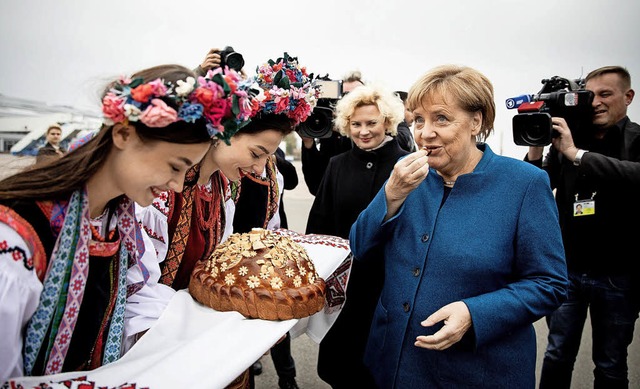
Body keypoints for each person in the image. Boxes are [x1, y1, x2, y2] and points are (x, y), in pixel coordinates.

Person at [0, 63, 230, 381]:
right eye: (176, 166)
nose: (177, 185)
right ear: (123, 133)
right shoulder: (17, 236)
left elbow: (134, 301)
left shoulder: (119, 219)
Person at [348, 64, 568, 388]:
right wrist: (390, 194)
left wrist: (475, 313)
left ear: (475, 121)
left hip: (476, 371)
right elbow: (359, 245)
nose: (425, 132)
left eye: (441, 118)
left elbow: (549, 283)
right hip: (394, 361)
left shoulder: (525, 184)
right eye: (419, 119)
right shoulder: (405, 173)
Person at [127, 53, 321, 389]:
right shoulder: (161, 192)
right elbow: (136, 293)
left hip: (206, 339)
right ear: (222, 134)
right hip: (166, 346)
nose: (260, 169)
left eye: (268, 157)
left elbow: (220, 264)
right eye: (257, 153)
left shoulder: (222, 188)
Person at [525, 65, 640, 389]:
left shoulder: (636, 139)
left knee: (611, 363)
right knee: (557, 354)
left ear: (628, 96)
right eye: (591, 96)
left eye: (607, 94)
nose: (598, 102)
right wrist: (537, 142)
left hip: (620, 274)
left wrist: (577, 154)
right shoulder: (568, 139)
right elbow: (537, 186)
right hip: (568, 269)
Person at [306, 84, 409, 388]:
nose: (364, 131)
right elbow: (319, 226)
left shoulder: (406, 164)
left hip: (389, 288)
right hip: (344, 288)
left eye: (371, 123)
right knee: (343, 371)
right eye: (356, 124)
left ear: (387, 123)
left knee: (382, 372)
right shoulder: (336, 165)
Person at [232, 146, 300, 389]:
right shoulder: (234, 165)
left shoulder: (273, 157)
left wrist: (274, 154)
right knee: (242, 317)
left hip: (269, 248)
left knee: (276, 313)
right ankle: (249, 364)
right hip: (237, 251)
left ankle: (287, 375)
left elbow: (292, 180)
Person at [300, 70, 364, 195]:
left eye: (358, 97)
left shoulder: (380, 130)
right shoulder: (330, 133)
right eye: (345, 96)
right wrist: (309, 144)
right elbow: (316, 186)